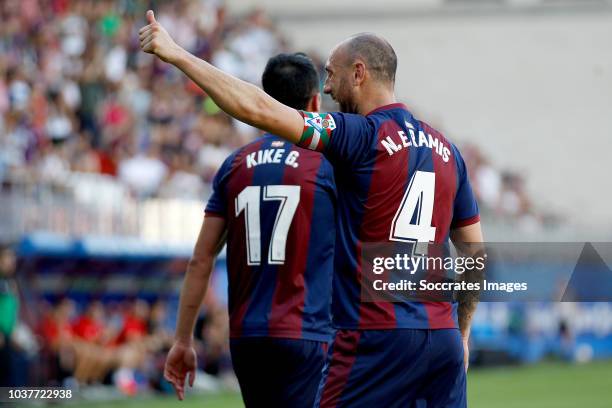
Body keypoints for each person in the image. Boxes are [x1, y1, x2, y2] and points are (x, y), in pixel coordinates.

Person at [140, 10, 484, 407]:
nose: (328, 88)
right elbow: (474, 252)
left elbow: (259, 110)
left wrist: (179, 55)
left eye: (332, 74)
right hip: (439, 339)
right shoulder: (448, 151)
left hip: (372, 336)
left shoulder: (359, 136)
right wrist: (461, 334)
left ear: (360, 73)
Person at [163, 52, 337, 408]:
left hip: (247, 336)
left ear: (263, 98)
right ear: (315, 102)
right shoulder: (327, 165)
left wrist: (183, 340)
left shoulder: (235, 165)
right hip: (307, 332)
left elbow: (201, 259)